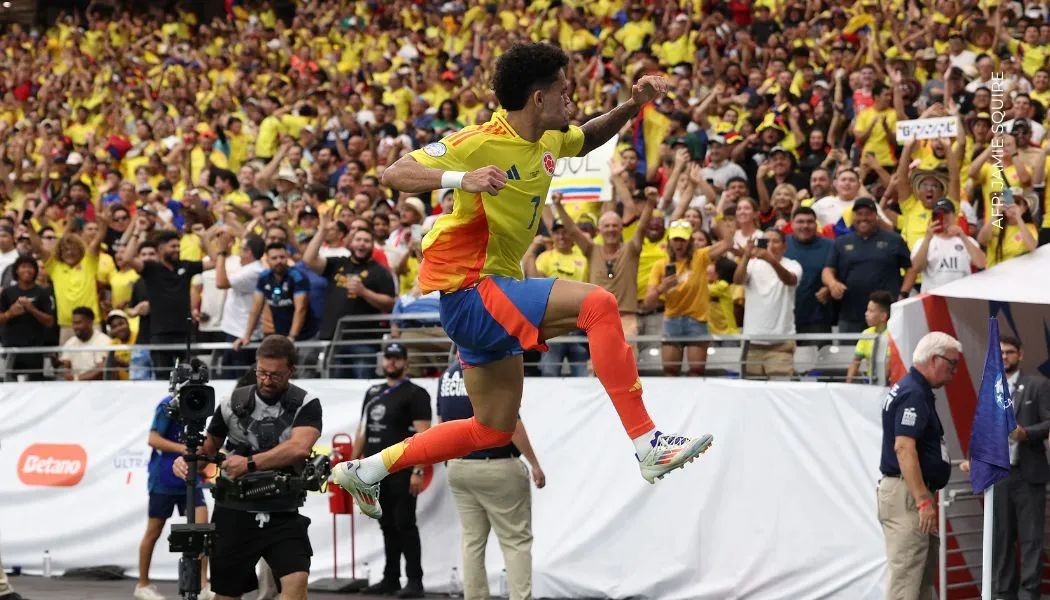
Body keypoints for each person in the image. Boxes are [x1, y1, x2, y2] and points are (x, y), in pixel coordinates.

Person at [334, 43, 711, 520]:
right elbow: (395, 173)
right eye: (565, 91)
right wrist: (460, 179)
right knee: (599, 304)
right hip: (474, 292)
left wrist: (633, 106)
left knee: (492, 429)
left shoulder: (549, 139)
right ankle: (647, 441)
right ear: (538, 98)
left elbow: (588, 136)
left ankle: (368, 469)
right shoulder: (480, 139)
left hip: (482, 302)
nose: (571, 100)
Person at [172, 335, 322, 600]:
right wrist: (188, 459)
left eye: (275, 375)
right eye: (261, 372)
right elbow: (208, 448)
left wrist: (250, 463)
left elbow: (298, 447)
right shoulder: (232, 402)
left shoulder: (306, 403)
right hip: (234, 512)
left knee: (297, 583)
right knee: (227, 594)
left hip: (282, 511)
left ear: (291, 371)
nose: (266, 380)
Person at [438, 356, 544, 600]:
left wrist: (448, 460)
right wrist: (534, 464)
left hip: (459, 465)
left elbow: (442, 423)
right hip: (497, 465)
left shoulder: (446, 376)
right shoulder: (488, 367)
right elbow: (512, 423)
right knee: (516, 540)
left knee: (472, 541)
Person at [878, 332, 961, 600]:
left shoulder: (915, 389)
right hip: (908, 496)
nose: (954, 372)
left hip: (911, 492)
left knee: (920, 577)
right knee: (906, 582)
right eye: (952, 364)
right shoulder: (914, 392)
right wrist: (922, 500)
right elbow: (903, 447)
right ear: (935, 360)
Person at [352, 343, 432, 598]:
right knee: (386, 524)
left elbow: (424, 436)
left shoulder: (416, 393)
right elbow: (363, 431)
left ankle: (415, 581)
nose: (392, 363)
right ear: (383, 360)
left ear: (406, 362)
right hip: (376, 470)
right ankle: (390, 578)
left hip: (403, 468)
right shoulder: (372, 392)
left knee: (405, 523)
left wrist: (418, 471)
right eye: (388, 358)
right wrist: (351, 466)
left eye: (397, 358)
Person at [135, 393, 213, 600]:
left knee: (201, 529)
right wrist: (186, 449)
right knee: (153, 531)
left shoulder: (200, 402)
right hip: (163, 478)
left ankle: (203, 584)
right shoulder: (166, 405)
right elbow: (153, 439)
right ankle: (142, 584)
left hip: (189, 476)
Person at [991, 335, 1050, 600]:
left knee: (1030, 539)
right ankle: (1004, 594)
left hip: (1029, 474)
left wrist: (1025, 433)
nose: (1005, 357)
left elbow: (1049, 423)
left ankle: (1029, 594)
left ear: (1021, 355)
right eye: (1000, 352)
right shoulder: (991, 388)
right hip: (1000, 475)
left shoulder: (1038, 385)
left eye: (1010, 352)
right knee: (1002, 539)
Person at [644, 219, 730, 376]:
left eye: (682, 239)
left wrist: (717, 217)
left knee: (696, 373)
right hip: (672, 321)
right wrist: (662, 288)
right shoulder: (660, 265)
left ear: (689, 241)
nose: (679, 244)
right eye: (675, 239)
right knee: (670, 372)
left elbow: (728, 243)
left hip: (696, 320)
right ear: (669, 241)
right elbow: (648, 303)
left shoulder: (701, 257)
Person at [123, 228, 205, 379]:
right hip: (160, 335)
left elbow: (213, 262)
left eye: (178, 246)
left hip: (185, 333)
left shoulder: (185, 266)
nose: (177, 249)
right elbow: (127, 259)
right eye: (173, 246)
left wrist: (205, 238)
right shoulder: (150, 269)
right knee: (162, 379)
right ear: (161, 249)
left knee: (189, 378)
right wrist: (135, 231)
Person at [822, 198, 912, 332]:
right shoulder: (841, 242)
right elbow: (828, 270)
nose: (863, 218)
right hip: (850, 312)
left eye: (868, 213)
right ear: (852, 217)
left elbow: (911, 269)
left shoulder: (894, 239)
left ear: (876, 216)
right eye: (859, 214)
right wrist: (832, 283)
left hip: (885, 313)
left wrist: (903, 294)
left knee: (886, 351)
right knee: (850, 352)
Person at [733, 229, 803, 379]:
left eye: (775, 241)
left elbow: (790, 280)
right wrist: (746, 255)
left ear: (785, 246)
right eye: (766, 241)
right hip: (752, 342)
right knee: (752, 394)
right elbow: (737, 280)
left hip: (781, 342)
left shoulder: (793, 265)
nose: (770, 245)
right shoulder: (752, 265)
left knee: (780, 392)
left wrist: (770, 260)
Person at [0, 255, 56, 381]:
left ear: (35, 271)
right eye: (23, 266)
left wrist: (32, 309)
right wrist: (10, 313)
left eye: (31, 267)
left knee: (35, 388)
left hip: (34, 351)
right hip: (11, 350)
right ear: (16, 271)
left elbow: (50, 322)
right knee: (10, 386)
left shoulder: (42, 293)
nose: (27, 270)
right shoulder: (7, 293)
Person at [845, 291, 891, 385]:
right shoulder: (866, 333)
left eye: (871, 311)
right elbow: (855, 362)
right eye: (867, 310)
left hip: (889, 385)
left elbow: (888, 369)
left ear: (883, 316)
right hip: (870, 384)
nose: (866, 314)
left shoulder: (893, 335)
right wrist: (847, 385)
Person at [58, 306, 111, 381]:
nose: (75, 327)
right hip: (74, 386)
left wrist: (76, 379)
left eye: (78, 323)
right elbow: (66, 366)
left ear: (90, 322)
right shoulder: (71, 342)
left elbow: (101, 371)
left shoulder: (103, 340)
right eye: (74, 323)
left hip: (97, 385)